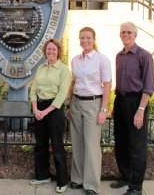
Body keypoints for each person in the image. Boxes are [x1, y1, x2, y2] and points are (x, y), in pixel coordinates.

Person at [110, 22, 154, 195]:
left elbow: (149, 87)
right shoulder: (119, 56)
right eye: (123, 32)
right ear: (120, 35)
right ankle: (125, 176)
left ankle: (136, 186)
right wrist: (116, 105)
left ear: (135, 35)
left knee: (137, 146)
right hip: (120, 101)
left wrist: (141, 110)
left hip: (137, 102)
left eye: (129, 32)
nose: (126, 34)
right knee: (121, 142)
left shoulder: (145, 56)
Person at [66, 27, 112, 195]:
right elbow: (73, 83)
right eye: (82, 38)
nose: (84, 40)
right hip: (77, 103)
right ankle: (77, 179)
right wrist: (70, 105)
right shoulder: (75, 60)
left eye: (88, 38)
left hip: (94, 104)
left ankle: (92, 184)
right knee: (77, 142)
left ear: (94, 39)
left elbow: (107, 86)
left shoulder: (102, 60)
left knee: (91, 144)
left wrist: (103, 110)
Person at [29, 39, 71, 193]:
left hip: (54, 110)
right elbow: (33, 89)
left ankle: (62, 180)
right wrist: (35, 108)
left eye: (53, 49)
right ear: (45, 52)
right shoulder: (40, 68)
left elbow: (62, 93)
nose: (51, 52)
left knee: (57, 145)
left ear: (58, 52)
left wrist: (45, 112)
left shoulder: (63, 69)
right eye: (48, 49)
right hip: (39, 108)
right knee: (40, 144)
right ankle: (42, 176)